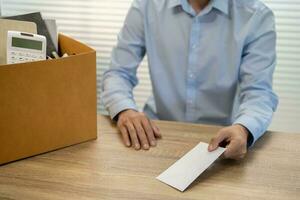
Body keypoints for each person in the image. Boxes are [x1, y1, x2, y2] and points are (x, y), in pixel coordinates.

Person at [101, 0, 278, 160]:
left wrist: (243, 129)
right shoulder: (146, 6)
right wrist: (125, 110)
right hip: (158, 133)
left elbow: (259, 92)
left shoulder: (256, 16)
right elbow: (118, 72)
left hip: (221, 138)